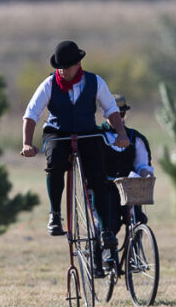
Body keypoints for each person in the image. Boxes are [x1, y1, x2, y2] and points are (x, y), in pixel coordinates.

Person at [20, 40, 129, 265]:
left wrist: (121, 133)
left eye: (67, 66)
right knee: (55, 164)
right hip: (57, 133)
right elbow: (31, 114)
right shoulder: (49, 84)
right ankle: (55, 215)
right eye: (60, 66)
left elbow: (110, 109)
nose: (62, 71)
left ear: (78, 64)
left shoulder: (95, 82)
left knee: (99, 177)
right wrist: (27, 143)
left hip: (87, 132)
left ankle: (106, 230)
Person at [100, 94, 155, 237]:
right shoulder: (96, 137)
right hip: (105, 188)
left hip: (129, 188)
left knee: (138, 219)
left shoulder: (135, 137)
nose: (118, 118)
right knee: (109, 222)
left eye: (121, 114)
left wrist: (145, 173)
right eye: (113, 114)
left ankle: (135, 252)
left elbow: (141, 164)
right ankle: (106, 253)